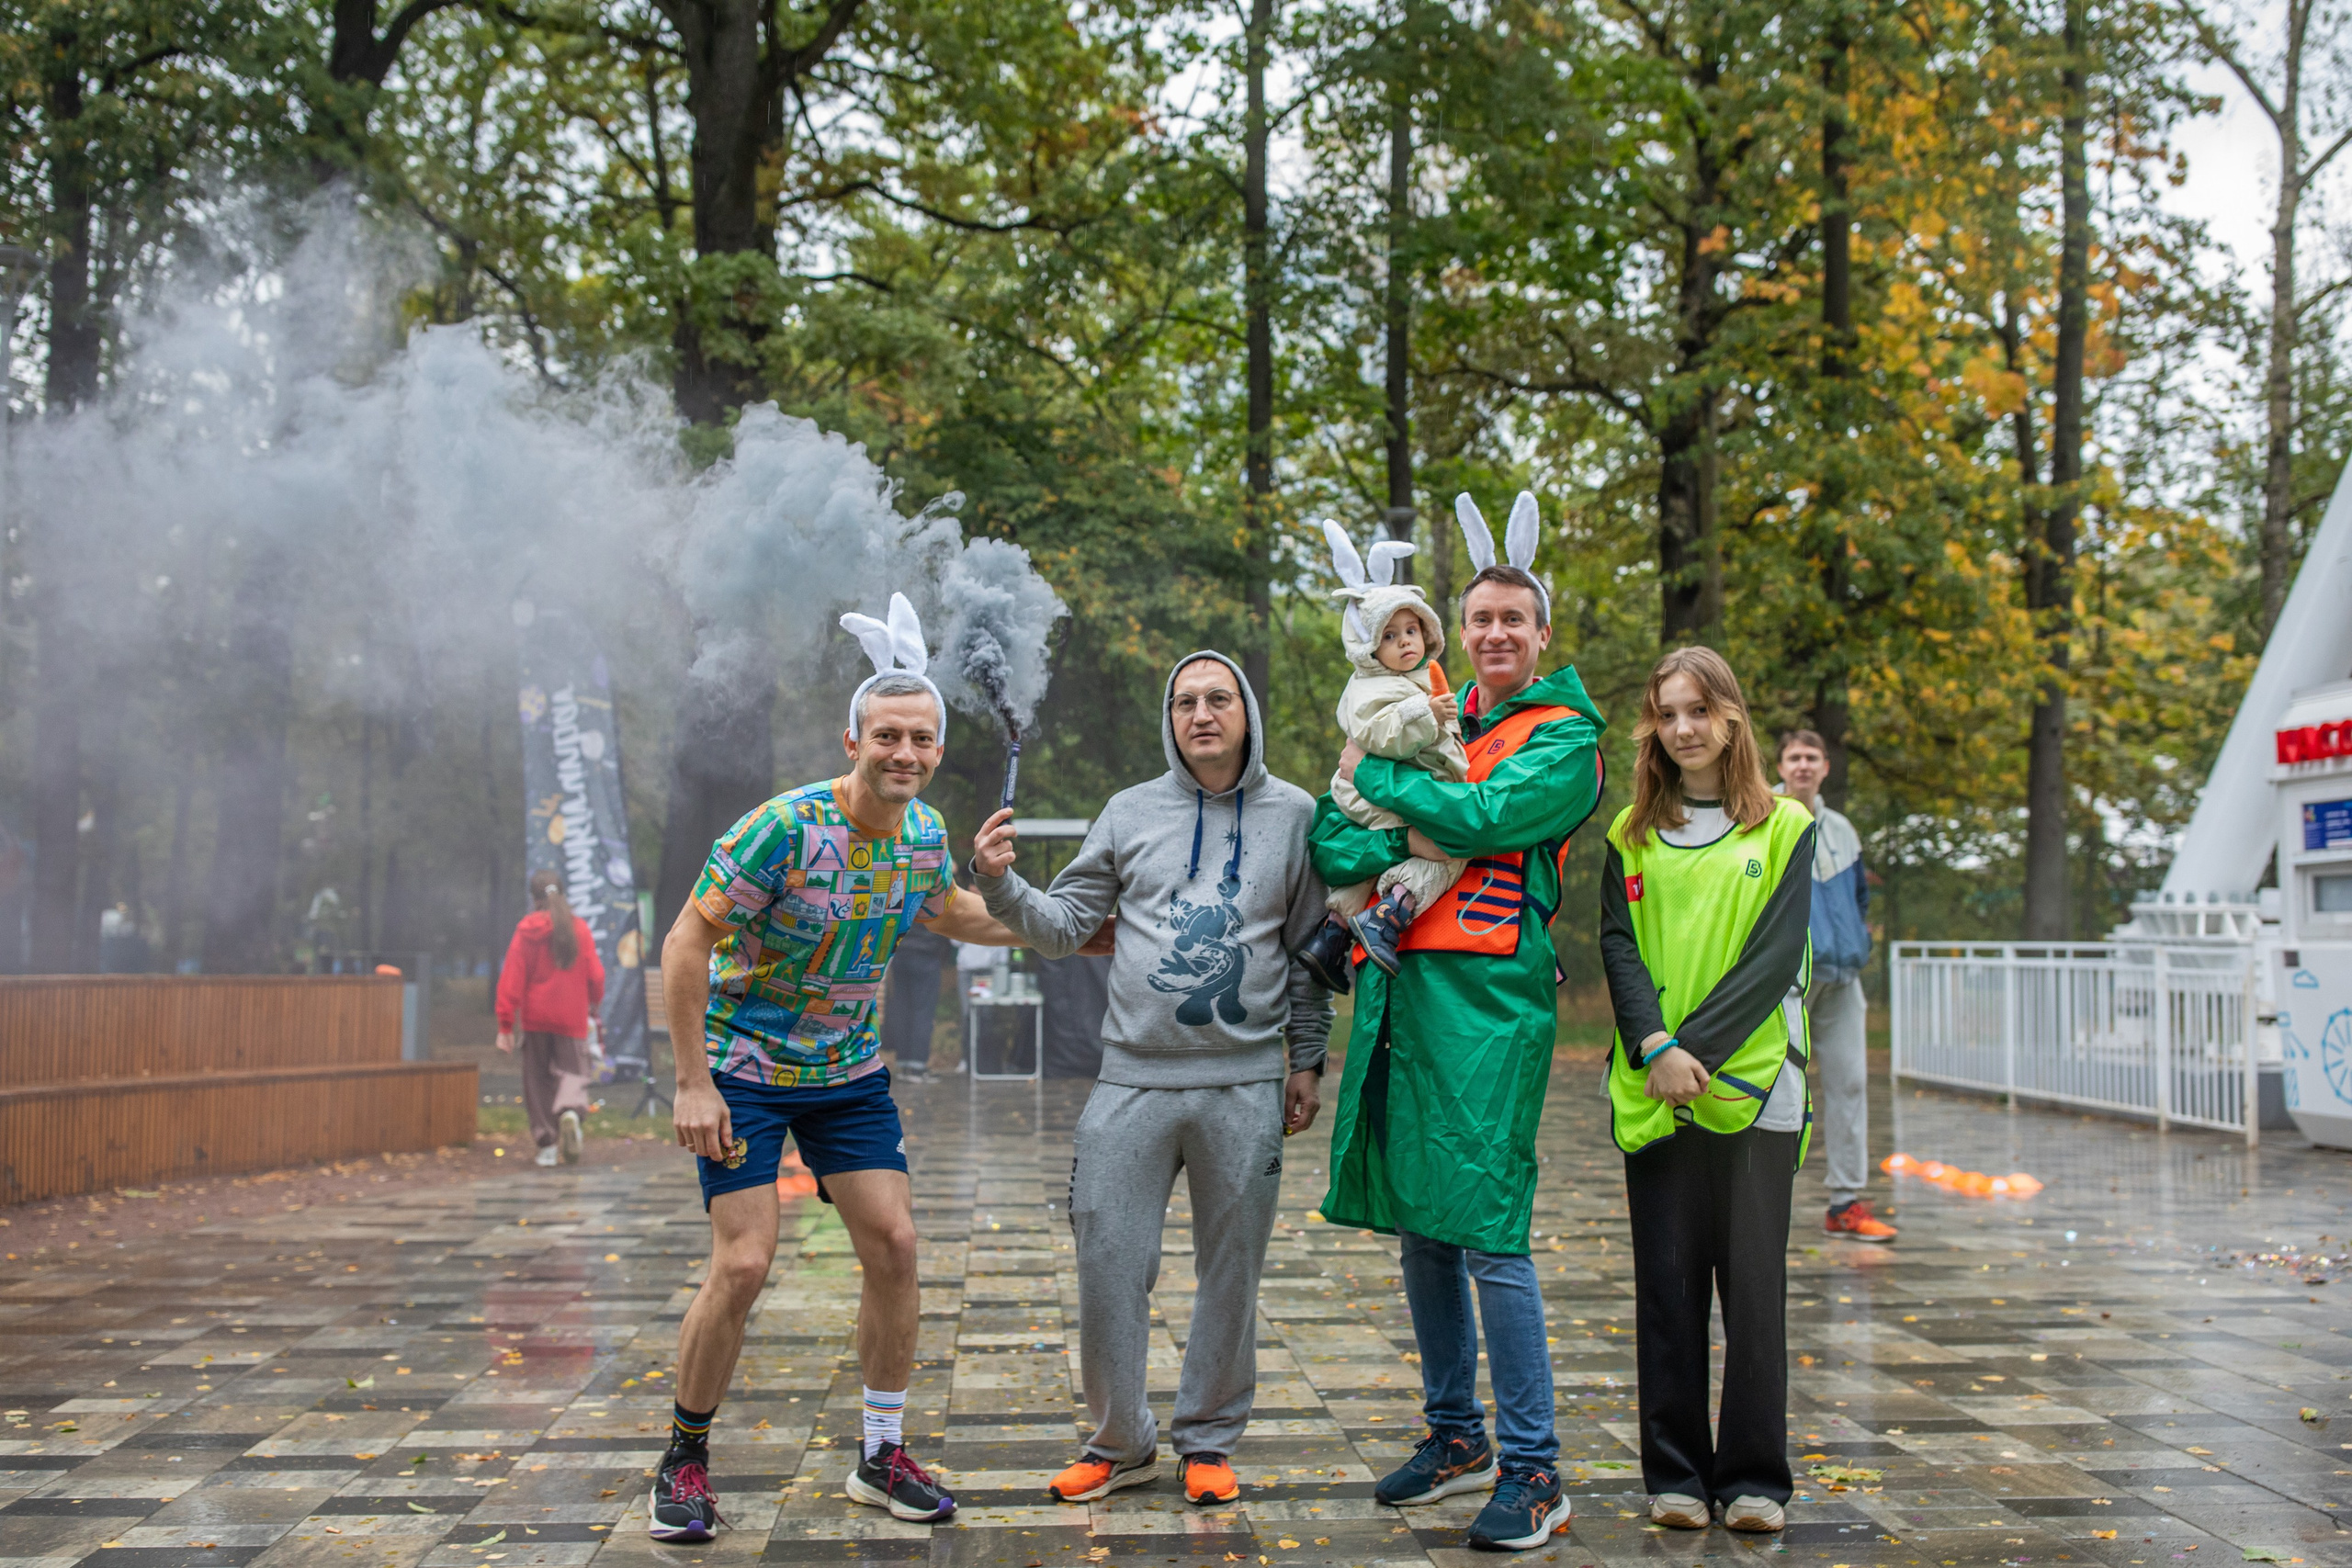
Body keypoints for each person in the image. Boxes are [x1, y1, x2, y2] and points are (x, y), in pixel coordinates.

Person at [653, 600, 1054, 1543]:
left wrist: (1069, 923)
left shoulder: (920, 835)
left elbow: (952, 912)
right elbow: (682, 942)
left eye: (920, 737)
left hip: (844, 1075)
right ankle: (684, 1457)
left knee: (896, 1247)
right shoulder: (782, 830)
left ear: (935, 750)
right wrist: (690, 1082)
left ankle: (879, 1455)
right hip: (743, 1068)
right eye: (887, 735)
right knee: (746, 1262)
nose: (903, 752)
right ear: (853, 737)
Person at [1308, 491, 1606, 1554]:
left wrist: (1372, 778)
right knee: (1422, 1226)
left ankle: (1535, 1469)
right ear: (1455, 631)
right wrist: (1373, 802)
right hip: (1404, 993)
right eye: (1475, 619)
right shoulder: (1441, 723)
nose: (1490, 635)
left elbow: (1484, 819)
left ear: (1540, 635)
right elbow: (1339, 848)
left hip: (1487, 1007)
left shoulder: (1564, 741)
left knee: (1487, 1228)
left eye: (1509, 620)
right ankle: (1455, 1435)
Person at [969, 651, 1331, 1510]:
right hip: (1129, 1079)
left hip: (1245, 1082)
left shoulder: (1295, 815)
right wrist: (998, 881)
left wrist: (1308, 1061)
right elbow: (1063, 926)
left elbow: (1311, 954)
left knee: (1230, 1271)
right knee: (1107, 1258)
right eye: (1184, 702)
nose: (1200, 713)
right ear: (1169, 719)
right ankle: (1119, 1440)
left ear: (1247, 710)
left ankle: (1207, 1438)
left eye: (1217, 699)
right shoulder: (1129, 811)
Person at [1598, 646, 1815, 1535]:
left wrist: (1698, 1054)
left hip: (1755, 1092)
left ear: (1730, 718)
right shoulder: (1629, 835)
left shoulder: (1786, 829)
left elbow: (1770, 961)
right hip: (1656, 1092)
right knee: (1668, 1290)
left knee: (1754, 1292)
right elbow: (1618, 946)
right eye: (1665, 714)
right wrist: (1655, 1047)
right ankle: (1678, 1476)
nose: (1682, 729)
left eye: (1698, 710)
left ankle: (1757, 1477)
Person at [1295, 522, 1470, 986]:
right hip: (1373, 793)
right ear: (1368, 646)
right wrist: (1428, 714)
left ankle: (1330, 936)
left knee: (1373, 863)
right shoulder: (1374, 686)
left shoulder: (1408, 680)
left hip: (1374, 789)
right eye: (1389, 636)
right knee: (1447, 848)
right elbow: (1383, 735)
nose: (1406, 641)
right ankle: (1390, 916)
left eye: (1411, 629)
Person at [1776, 730, 1893, 1242]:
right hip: (1787, 982)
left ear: (1825, 767)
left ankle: (1846, 1202)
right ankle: (1763, 1198)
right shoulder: (1764, 815)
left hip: (1842, 980)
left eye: (1811, 758)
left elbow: (1859, 898)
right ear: (1780, 766)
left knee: (1850, 1084)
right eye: (1793, 757)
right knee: (1778, 1086)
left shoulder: (1842, 829)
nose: (1802, 766)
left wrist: (1855, 944)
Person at [495, 869, 606, 1168]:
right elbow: (596, 975)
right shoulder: (579, 929)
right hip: (571, 1017)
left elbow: (512, 978)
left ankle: (546, 1145)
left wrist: (506, 1024)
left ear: (534, 899)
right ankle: (570, 1112)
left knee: (538, 1080)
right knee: (573, 1072)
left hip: (536, 1018)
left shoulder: (526, 930)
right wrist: (594, 1003)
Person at [881, 920, 952, 1082]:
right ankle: (917, 1068)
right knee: (923, 1012)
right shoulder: (934, 896)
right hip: (927, 955)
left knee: (902, 1009)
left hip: (901, 954)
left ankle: (903, 1065)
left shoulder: (904, 895)